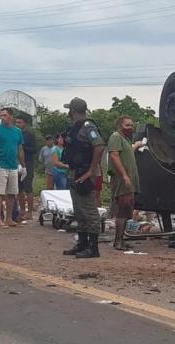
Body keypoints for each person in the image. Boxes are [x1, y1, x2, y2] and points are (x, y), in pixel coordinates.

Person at [61, 97, 105, 259]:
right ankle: (83, 244)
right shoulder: (76, 127)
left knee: (89, 211)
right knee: (79, 210)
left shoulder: (88, 126)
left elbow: (99, 146)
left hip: (85, 174)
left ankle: (93, 248)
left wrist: (90, 171)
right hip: (75, 172)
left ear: (72, 111)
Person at [0, 107, 26, 228]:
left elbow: (20, 149)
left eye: (4, 115)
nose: (2, 118)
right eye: (1, 116)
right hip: (0, 165)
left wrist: (23, 165)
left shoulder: (17, 131)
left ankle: (9, 218)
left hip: (13, 165)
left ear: (11, 116)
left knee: (11, 193)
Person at [108, 115, 140, 250]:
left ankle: (121, 239)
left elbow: (127, 153)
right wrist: (125, 176)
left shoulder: (125, 139)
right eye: (127, 125)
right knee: (122, 210)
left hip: (129, 181)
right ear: (120, 126)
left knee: (127, 211)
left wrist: (136, 145)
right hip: (122, 181)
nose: (130, 128)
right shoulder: (115, 137)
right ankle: (118, 241)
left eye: (132, 125)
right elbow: (114, 156)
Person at [15, 113, 36, 220]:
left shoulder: (29, 135)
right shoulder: (13, 133)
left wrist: (22, 147)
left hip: (28, 163)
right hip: (16, 163)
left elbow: (34, 150)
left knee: (28, 188)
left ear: (25, 123)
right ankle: (22, 210)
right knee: (19, 189)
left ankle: (30, 212)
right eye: (16, 122)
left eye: (20, 122)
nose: (17, 124)